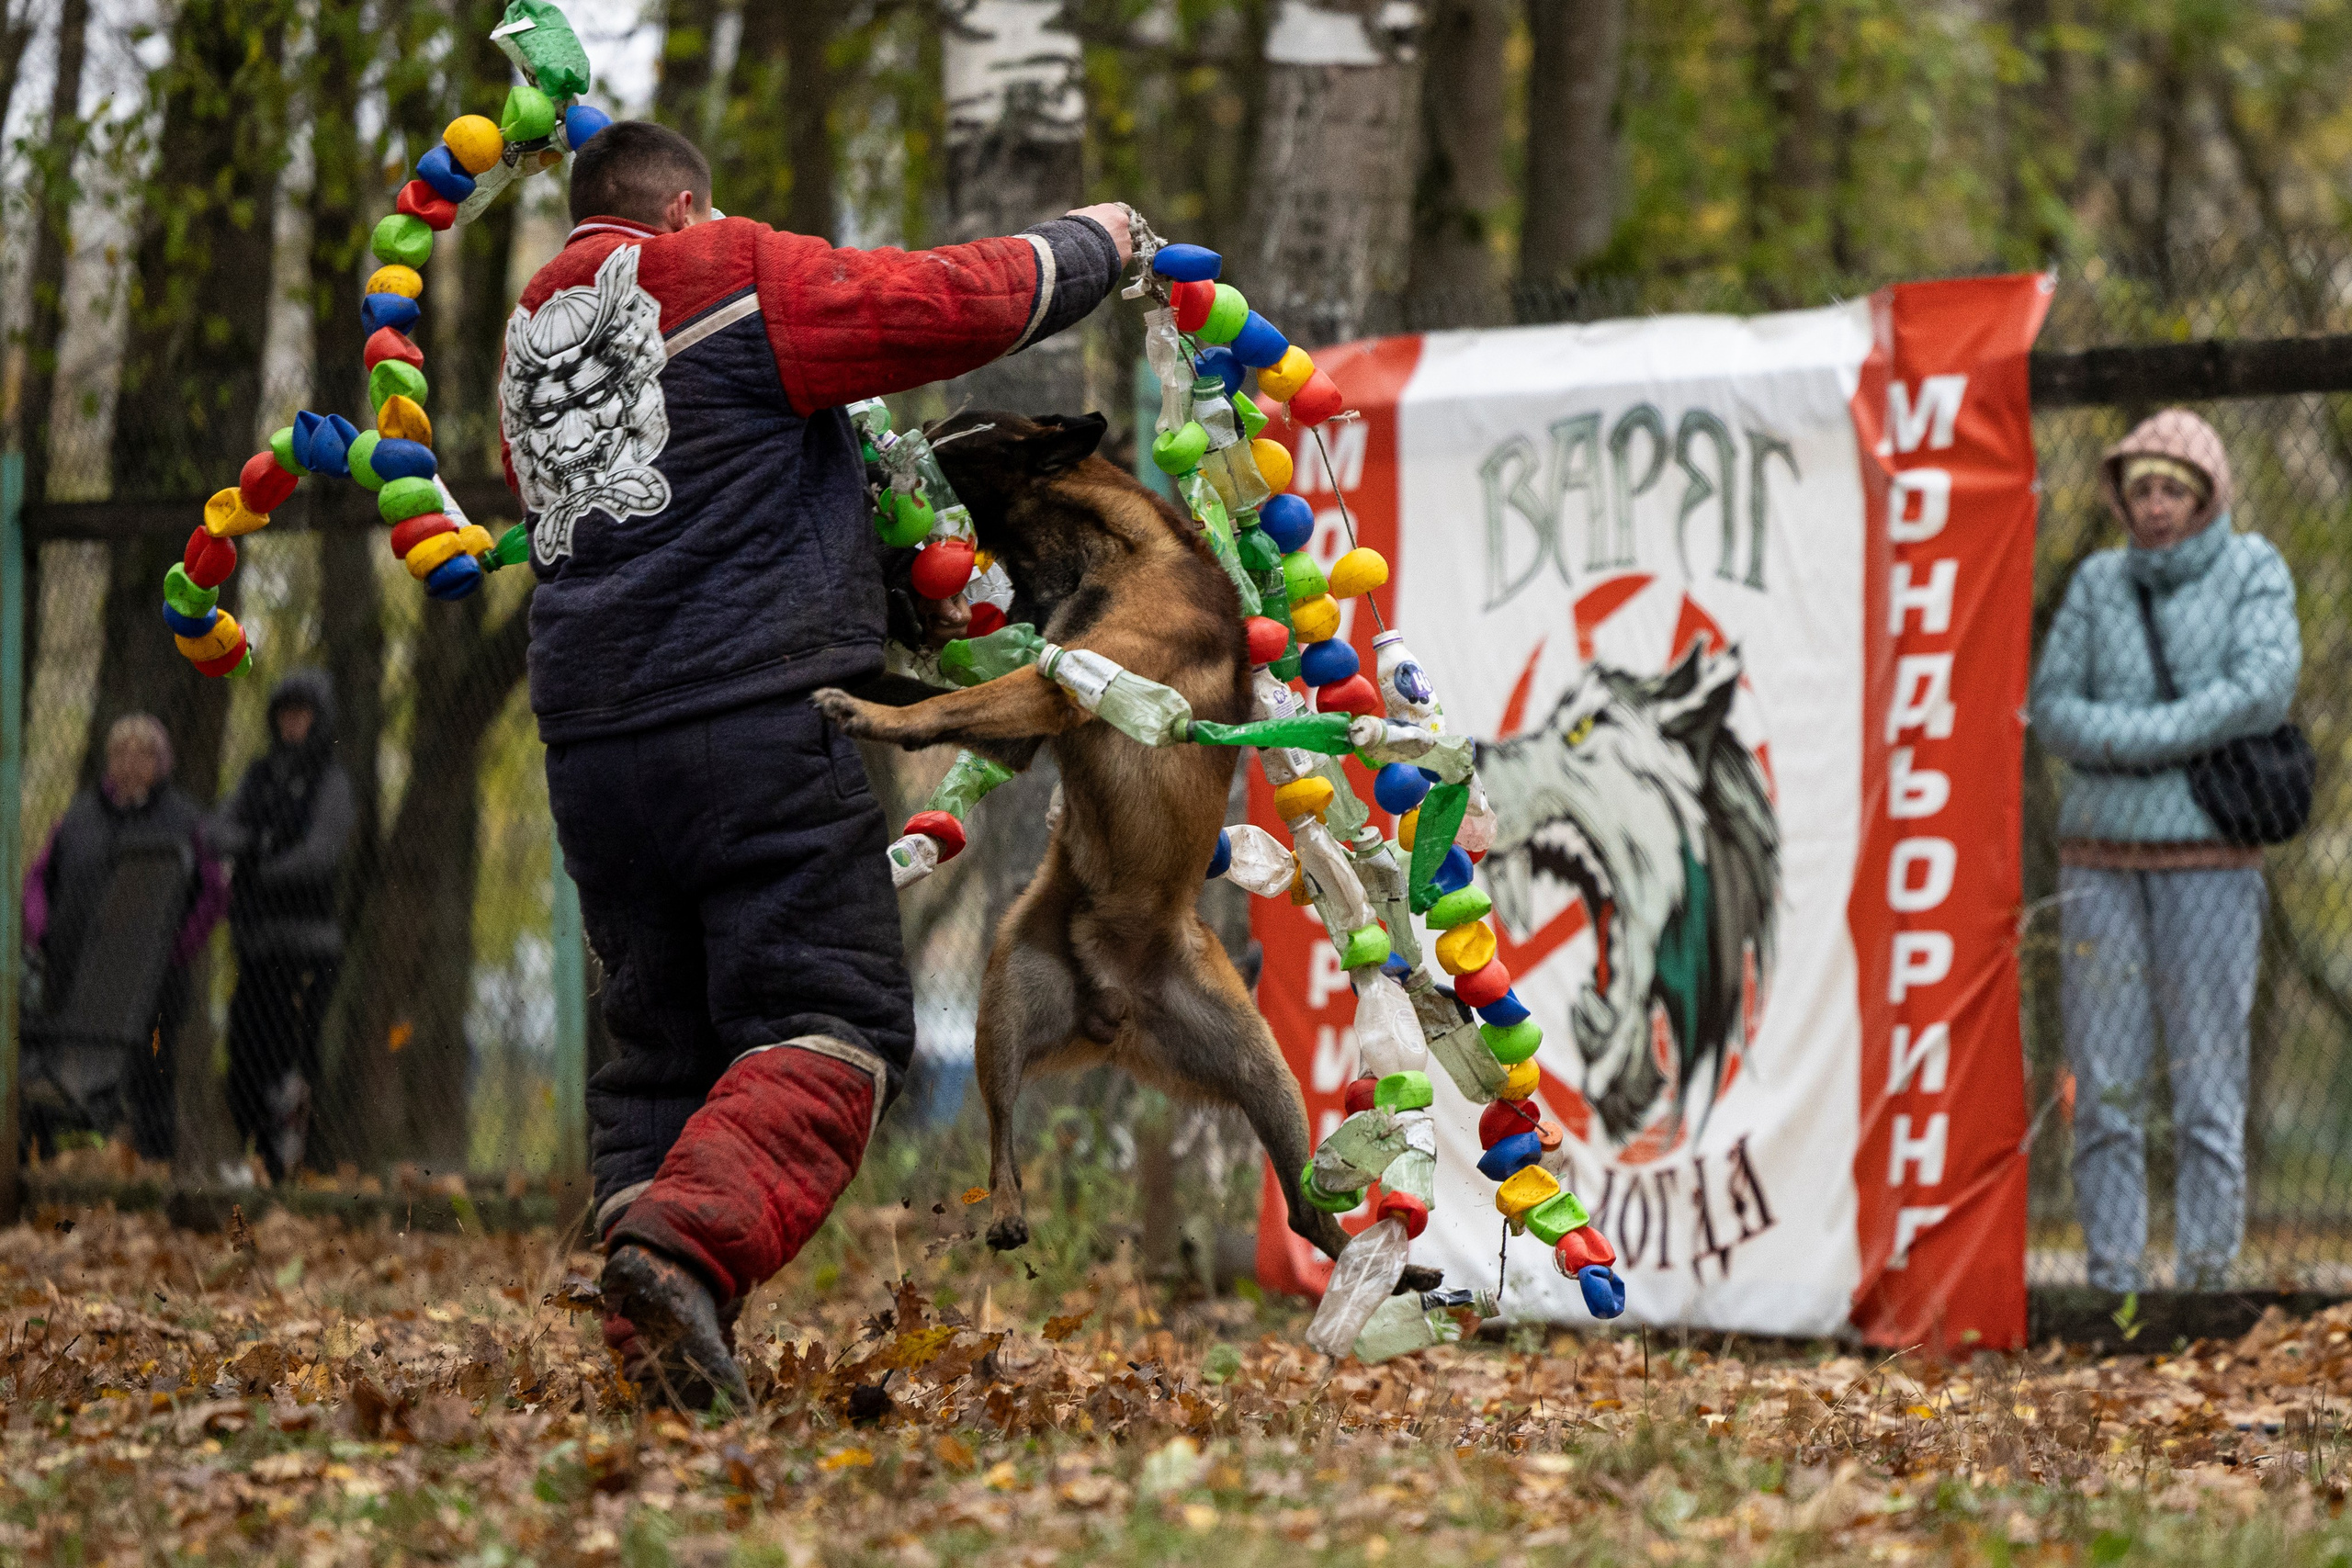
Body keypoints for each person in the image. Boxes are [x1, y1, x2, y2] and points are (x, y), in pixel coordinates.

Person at [500, 119, 1132, 1404]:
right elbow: (941, 304)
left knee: (661, 1045)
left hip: (591, 746)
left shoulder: (526, 342)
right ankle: (687, 1244)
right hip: (750, 717)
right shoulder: (720, 270)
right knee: (830, 1015)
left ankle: (656, 1327)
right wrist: (1096, 246)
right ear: (683, 207)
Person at [2030, 409, 2302, 1293]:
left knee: (2206, 1084)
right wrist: (2177, 734)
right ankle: (2114, 1286)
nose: (2154, 505)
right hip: (2098, 864)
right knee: (2104, 1091)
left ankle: (2208, 1282)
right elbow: (2054, 708)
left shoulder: (2251, 569)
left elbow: (2262, 688)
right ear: (2122, 495)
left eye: (2172, 489)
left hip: (2211, 867)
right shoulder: (2099, 584)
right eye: (2141, 487)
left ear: (2206, 495)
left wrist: (2131, 738)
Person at [21, 715, 226, 1159]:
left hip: (154, 981)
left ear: (162, 762)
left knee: (153, 1078)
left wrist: (177, 948)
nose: (131, 762)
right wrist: (43, 932)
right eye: (121, 752)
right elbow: (37, 880)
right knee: (61, 1076)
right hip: (76, 975)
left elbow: (214, 893)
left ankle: (153, 1170)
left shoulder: (186, 819)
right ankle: (51, 1165)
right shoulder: (77, 817)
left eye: (143, 753)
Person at [214, 671, 356, 1182]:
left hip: (307, 948)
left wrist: (259, 860)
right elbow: (218, 831)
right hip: (255, 944)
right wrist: (259, 848)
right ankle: (258, 1160)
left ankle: (290, 1167)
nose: (293, 724)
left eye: (303, 715)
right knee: (245, 1056)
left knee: (293, 1060)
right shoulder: (258, 775)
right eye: (285, 715)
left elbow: (319, 854)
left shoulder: (331, 780)